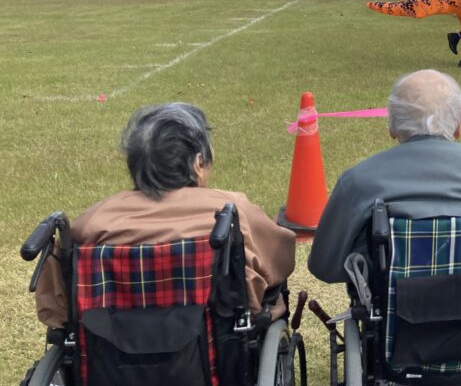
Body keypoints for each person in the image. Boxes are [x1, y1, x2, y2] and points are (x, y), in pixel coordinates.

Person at [34, 103, 296, 328]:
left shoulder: (92, 222)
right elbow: (279, 260)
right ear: (198, 163)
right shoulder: (231, 211)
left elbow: (58, 309)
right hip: (216, 350)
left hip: (109, 354)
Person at [308, 70, 461, 281]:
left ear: (392, 127)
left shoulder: (359, 181)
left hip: (395, 320)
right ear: (459, 125)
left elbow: (325, 266)